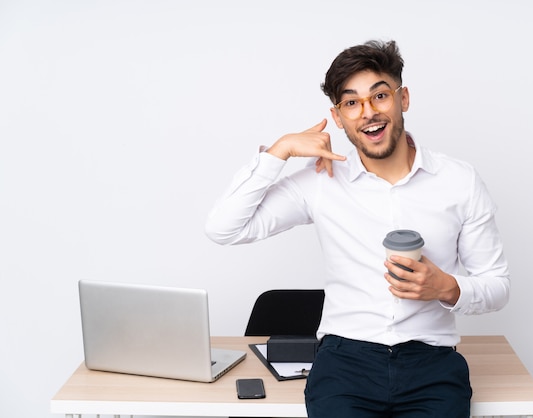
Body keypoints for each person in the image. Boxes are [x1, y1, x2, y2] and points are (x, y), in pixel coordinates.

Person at [205, 40, 510, 418]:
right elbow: (224, 228)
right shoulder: (322, 180)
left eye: (380, 95)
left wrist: (445, 287)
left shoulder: (459, 181)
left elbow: (497, 285)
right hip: (345, 363)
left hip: (431, 363)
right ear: (338, 116)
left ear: (404, 99)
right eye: (351, 102)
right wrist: (278, 152)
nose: (368, 112)